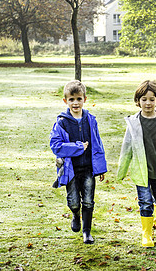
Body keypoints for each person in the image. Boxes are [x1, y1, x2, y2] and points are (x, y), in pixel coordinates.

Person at [117, 80, 156, 247]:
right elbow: (126, 147)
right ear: (138, 101)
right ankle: (147, 234)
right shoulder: (133, 123)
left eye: (152, 99)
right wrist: (122, 170)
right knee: (144, 201)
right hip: (141, 171)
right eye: (144, 99)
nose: (148, 103)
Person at [50, 80, 107, 244]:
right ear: (65, 101)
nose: (75, 103)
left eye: (79, 99)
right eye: (71, 99)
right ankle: (75, 214)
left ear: (85, 99)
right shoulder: (62, 122)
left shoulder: (91, 120)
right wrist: (77, 147)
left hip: (88, 168)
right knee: (74, 201)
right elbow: (56, 146)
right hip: (71, 169)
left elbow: (97, 143)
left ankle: (87, 232)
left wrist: (100, 168)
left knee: (88, 200)